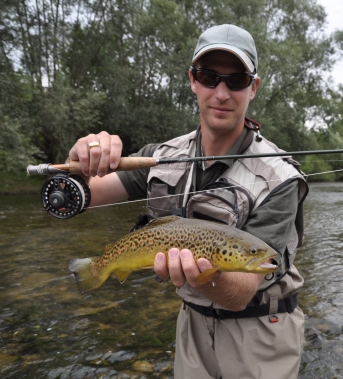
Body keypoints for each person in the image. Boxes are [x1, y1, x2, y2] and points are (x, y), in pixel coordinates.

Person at [68, 24, 308, 379]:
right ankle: (97, 267)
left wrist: (200, 276)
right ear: (193, 80)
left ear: (253, 87)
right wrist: (82, 162)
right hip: (192, 328)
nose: (222, 93)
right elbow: (84, 198)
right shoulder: (159, 158)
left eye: (236, 80)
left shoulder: (280, 177)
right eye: (210, 77)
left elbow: (241, 292)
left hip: (262, 333)